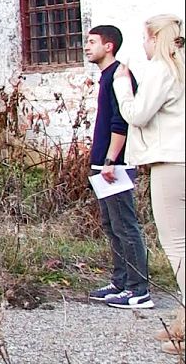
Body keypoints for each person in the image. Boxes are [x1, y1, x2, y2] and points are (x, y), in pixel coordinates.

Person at [113, 14, 185, 355]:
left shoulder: (162, 68)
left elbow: (138, 114)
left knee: (178, 246)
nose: (143, 45)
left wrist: (122, 86)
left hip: (172, 164)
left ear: (155, 38)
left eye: (145, 38)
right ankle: (182, 322)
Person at [83, 26, 152, 310]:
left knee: (125, 226)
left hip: (115, 165)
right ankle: (121, 281)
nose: (87, 46)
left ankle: (138, 290)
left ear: (108, 46)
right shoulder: (106, 76)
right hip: (103, 164)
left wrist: (111, 160)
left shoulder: (119, 76)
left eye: (92, 42)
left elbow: (121, 122)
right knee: (111, 225)